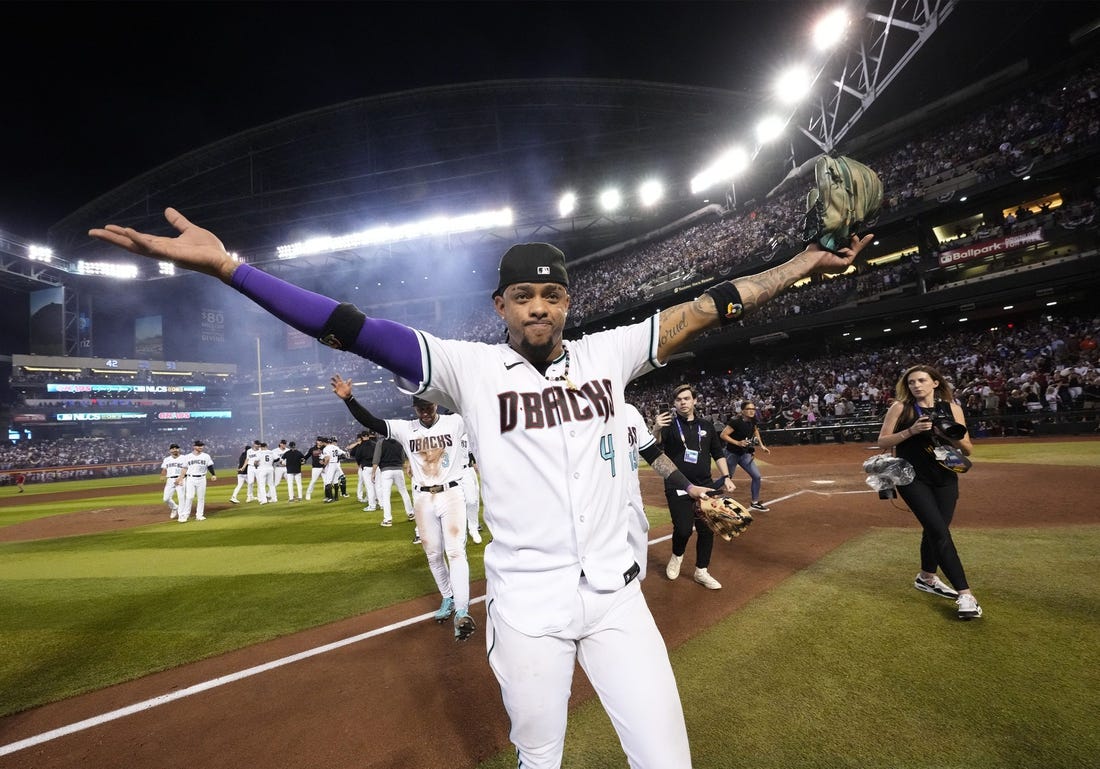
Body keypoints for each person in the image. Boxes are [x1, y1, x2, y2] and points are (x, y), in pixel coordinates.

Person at [90, 206, 870, 769]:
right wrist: (232, 268)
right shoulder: (465, 368)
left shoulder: (611, 354)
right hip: (527, 607)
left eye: (553, 294)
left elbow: (714, 305)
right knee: (540, 756)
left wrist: (805, 263)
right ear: (501, 306)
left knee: (668, 760)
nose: (539, 306)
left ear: (569, 303)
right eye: (524, 296)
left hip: (616, 599)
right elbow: (348, 325)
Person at [333, 381, 475, 640]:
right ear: (414, 407)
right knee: (433, 554)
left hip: (451, 493)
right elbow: (373, 422)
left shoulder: (455, 422)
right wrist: (349, 399)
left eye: (429, 405)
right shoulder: (405, 428)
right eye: (420, 407)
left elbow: (479, 405)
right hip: (422, 498)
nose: (425, 411)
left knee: (455, 552)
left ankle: (463, 611)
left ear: (436, 403)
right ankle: (447, 597)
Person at [876, 364, 982, 620]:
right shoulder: (901, 408)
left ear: (935, 383)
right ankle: (965, 594)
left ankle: (926, 577)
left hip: (945, 476)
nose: (916, 385)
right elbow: (882, 441)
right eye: (911, 382)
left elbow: (967, 449)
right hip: (911, 477)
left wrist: (946, 433)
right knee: (939, 531)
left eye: (922, 380)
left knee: (935, 529)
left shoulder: (952, 408)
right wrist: (911, 431)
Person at [653, 384, 736, 590]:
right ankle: (677, 556)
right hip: (677, 485)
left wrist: (726, 476)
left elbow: (717, 453)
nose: (683, 402)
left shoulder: (707, 426)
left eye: (687, 398)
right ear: (674, 403)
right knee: (682, 529)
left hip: (705, 485)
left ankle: (701, 571)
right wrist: (656, 428)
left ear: (695, 401)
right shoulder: (669, 425)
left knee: (707, 529)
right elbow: (654, 446)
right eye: (679, 399)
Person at [622, 402, 712, 580]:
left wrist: (688, 486)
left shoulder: (630, 412)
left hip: (633, 507)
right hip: (599, 511)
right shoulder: (575, 417)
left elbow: (653, 454)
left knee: (637, 574)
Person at [719, 401, 772, 512]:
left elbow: (755, 430)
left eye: (753, 409)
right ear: (742, 411)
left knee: (756, 476)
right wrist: (738, 443)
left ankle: (755, 502)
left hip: (745, 454)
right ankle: (710, 497)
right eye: (749, 409)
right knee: (726, 478)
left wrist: (761, 445)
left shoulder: (753, 420)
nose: (752, 411)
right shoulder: (736, 422)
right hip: (732, 454)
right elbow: (723, 435)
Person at [373, 433, 413, 528]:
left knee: (386, 495)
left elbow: (376, 458)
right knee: (404, 492)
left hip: (386, 471)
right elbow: (403, 458)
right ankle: (411, 513)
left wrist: (373, 472)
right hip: (398, 470)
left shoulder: (381, 442)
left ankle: (388, 519)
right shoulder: (399, 442)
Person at [179, 439, 217, 522]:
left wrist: (213, 474)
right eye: (199, 446)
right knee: (190, 496)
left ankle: (199, 515)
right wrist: (181, 479)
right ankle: (185, 515)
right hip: (190, 478)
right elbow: (184, 468)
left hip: (202, 478)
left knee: (201, 498)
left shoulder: (206, 456)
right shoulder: (187, 456)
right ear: (194, 447)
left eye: (202, 446)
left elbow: (210, 466)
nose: (201, 447)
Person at [459, 434, 483, 544]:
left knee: (472, 501)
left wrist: (475, 462)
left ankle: (473, 528)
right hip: (450, 472)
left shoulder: (465, 436)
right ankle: (460, 532)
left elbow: (471, 452)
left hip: (465, 470)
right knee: (455, 504)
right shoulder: (444, 433)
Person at [159, 443, 187, 519]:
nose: (175, 449)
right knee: (166, 499)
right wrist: (162, 475)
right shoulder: (167, 459)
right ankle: (174, 507)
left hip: (181, 479)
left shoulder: (184, 458)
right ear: (170, 450)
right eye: (173, 448)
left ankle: (181, 515)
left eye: (176, 448)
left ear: (179, 449)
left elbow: (186, 469)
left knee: (181, 498)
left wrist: (181, 478)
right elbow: (164, 469)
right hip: (170, 480)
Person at [304, 436, 326, 500]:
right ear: (317, 441)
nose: (320, 442)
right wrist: (303, 460)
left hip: (325, 467)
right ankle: (308, 493)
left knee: (326, 482)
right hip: (316, 467)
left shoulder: (325, 448)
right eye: (319, 441)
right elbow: (306, 456)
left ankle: (327, 494)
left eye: (321, 441)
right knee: (313, 481)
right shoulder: (312, 449)